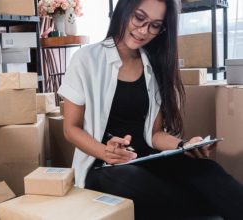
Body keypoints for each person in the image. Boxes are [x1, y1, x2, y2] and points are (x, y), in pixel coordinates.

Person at [57, 0, 243, 219]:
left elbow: (154, 135)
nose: (144, 30)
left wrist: (184, 145)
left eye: (155, 25)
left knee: (208, 172)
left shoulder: (153, 65)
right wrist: (105, 151)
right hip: (104, 166)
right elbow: (71, 128)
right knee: (136, 182)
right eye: (139, 18)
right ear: (124, 10)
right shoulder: (86, 59)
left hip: (147, 159)